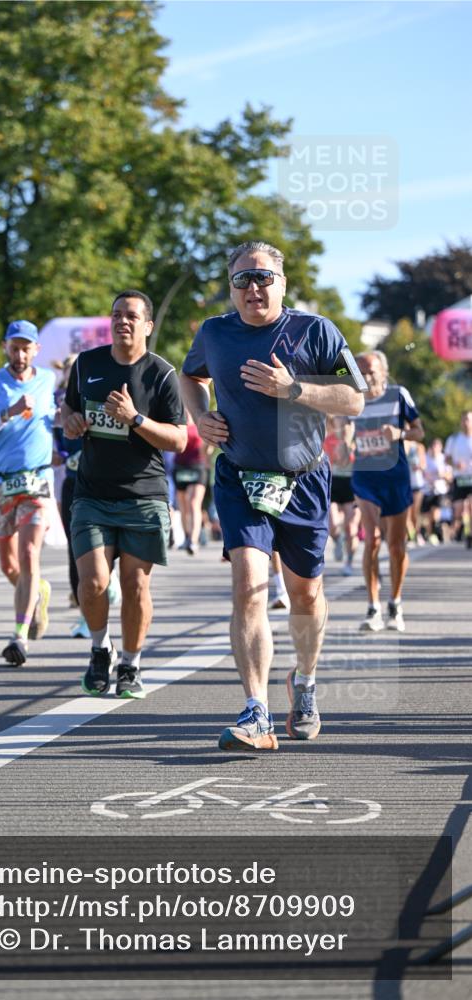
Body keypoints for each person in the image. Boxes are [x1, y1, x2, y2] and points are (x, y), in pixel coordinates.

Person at [180, 239, 366, 752]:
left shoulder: (315, 331)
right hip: (240, 477)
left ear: (282, 283)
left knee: (305, 595)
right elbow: (188, 376)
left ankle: (304, 681)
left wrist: (293, 389)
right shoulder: (214, 333)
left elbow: (353, 398)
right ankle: (255, 711)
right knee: (248, 585)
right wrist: (200, 417)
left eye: (263, 278)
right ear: (230, 287)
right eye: (242, 279)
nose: (253, 287)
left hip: (303, 479)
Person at [61, 289, 187, 699]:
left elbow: (179, 440)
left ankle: (131, 663)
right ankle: (101, 649)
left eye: (131, 315)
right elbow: (68, 410)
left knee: (135, 586)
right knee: (93, 580)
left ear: (147, 325)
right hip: (92, 492)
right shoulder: (87, 364)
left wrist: (134, 418)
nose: (122, 321)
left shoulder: (163, 375)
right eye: (116, 314)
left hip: (143, 495)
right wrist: (72, 421)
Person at [0, 320, 55, 665]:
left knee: (30, 553)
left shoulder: (49, 380)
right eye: (14, 347)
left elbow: (58, 417)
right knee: (9, 565)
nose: (20, 354)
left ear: (36, 349)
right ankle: (39, 592)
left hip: (37, 480)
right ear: (5, 346)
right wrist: (8, 413)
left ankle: (19, 636)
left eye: (26, 347)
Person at [351, 351, 425, 632]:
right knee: (372, 539)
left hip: (395, 477)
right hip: (366, 477)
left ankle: (395, 601)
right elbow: (344, 429)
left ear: (383, 371)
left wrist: (400, 435)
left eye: (371, 370)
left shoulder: (398, 395)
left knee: (396, 547)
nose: (366, 376)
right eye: (360, 371)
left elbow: (419, 431)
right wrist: (346, 444)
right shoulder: (352, 397)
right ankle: (373, 608)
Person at [324, 415, 360, 575]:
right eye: (338, 424)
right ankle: (337, 539)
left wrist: (347, 444)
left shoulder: (357, 442)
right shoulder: (329, 440)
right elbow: (334, 461)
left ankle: (349, 562)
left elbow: (351, 460)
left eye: (344, 424)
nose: (341, 428)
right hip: (335, 482)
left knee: (351, 528)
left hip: (353, 484)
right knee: (332, 524)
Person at [173, 411, 210, 554]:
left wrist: (207, 453)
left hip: (197, 466)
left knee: (194, 502)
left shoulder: (200, 421)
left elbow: (207, 445)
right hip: (180, 466)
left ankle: (193, 541)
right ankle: (187, 536)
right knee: (183, 505)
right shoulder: (177, 421)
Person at [445, 410, 472, 549]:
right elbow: (447, 458)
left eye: (468, 419)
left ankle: (470, 535)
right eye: (464, 420)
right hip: (460, 478)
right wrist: (456, 464)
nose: (466, 422)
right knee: (458, 509)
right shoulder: (454, 439)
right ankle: (461, 529)